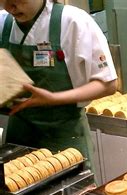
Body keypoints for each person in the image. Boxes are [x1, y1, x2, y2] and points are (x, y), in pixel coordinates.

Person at [0, 0, 117, 171]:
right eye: (4, 0)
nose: (11, 7)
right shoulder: (3, 23)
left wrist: (54, 98)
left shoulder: (73, 22)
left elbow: (107, 84)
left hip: (64, 137)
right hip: (18, 138)